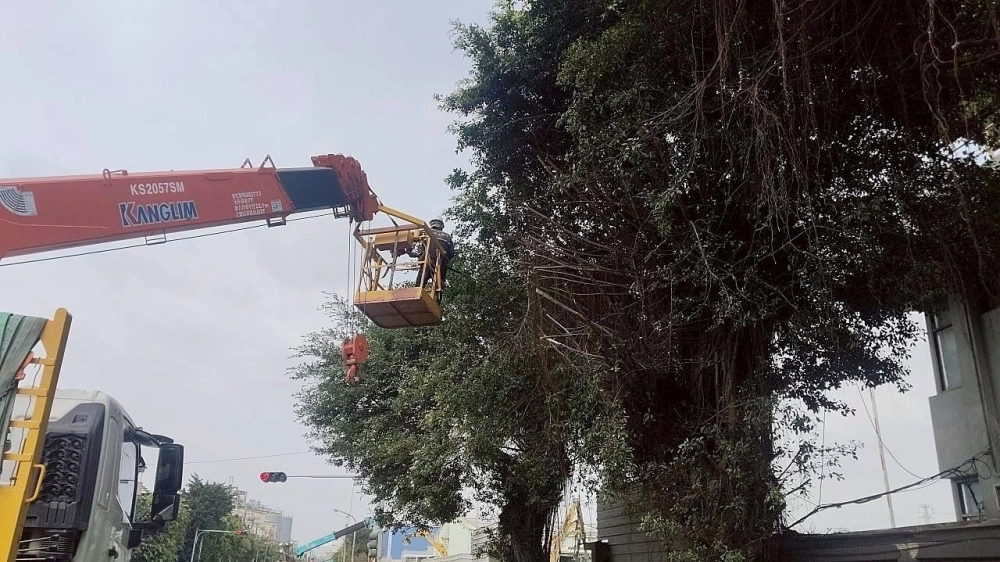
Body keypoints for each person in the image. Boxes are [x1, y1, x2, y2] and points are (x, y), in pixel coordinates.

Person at [413, 217, 455, 297]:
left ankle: (415, 296)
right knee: (439, 287)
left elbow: (421, 249)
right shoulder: (447, 237)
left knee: (419, 285)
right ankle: (437, 301)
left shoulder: (426, 233)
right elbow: (451, 253)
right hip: (441, 265)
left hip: (427, 263)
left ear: (431, 224)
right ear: (441, 226)